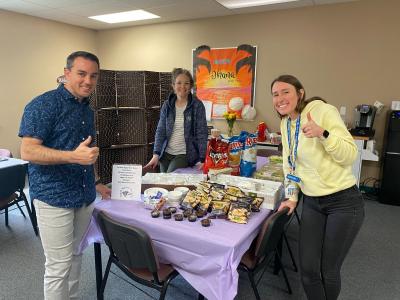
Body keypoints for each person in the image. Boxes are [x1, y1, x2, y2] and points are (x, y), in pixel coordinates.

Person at [19, 51, 111, 299]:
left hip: (83, 195)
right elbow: (27, 151)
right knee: (58, 267)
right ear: (67, 73)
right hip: (53, 197)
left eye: (93, 76)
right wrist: (72, 156)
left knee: (76, 256)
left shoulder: (86, 110)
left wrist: (97, 181)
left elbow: (87, 152)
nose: (88, 81)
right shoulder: (43, 105)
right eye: (81, 74)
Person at [271, 74, 364, 300]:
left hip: (343, 202)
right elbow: (289, 165)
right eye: (275, 94)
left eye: (286, 92)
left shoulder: (322, 110)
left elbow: (350, 155)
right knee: (309, 272)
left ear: (300, 93)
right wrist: (292, 197)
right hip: (312, 202)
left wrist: (323, 134)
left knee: (327, 271)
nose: (280, 98)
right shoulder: (285, 123)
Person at [145, 68, 208, 173]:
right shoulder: (167, 105)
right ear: (173, 86)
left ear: (191, 86)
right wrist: (156, 154)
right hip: (166, 154)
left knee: (170, 177)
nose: (182, 86)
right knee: (163, 181)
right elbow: (160, 131)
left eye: (186, 83)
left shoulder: (197, 105)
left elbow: (202, 133)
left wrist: (202, 158)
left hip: (184, 154)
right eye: (179, 83)